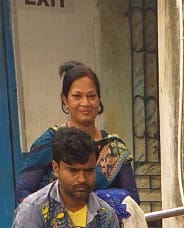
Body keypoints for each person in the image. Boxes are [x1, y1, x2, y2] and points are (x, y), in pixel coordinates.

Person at [15, 61, 139, 205]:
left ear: (99, 99)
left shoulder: (114, 149)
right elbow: (23, 191)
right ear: (65, 100)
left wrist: (105, 203)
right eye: (77, 96)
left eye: (91, 96)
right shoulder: (51, 141)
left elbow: (132, 201)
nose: (85, 103)